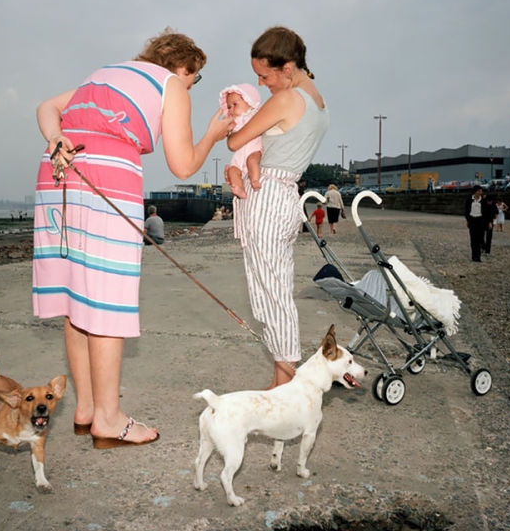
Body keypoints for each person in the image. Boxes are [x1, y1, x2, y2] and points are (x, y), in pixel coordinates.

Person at [33, 29, 233, 448]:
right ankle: (108, 418)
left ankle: (86, 408)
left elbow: (47, 106)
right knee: (106, 296)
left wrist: (55, 138)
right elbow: (182, 166)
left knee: (76, 294)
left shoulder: (107, 74)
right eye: (195, 78)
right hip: (107, 177)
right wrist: (213, 135)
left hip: (59, 173)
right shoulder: (172, 84)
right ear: (185, 67)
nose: (191, 85)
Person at [228, 26, 329, 389]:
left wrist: (235, 145)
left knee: (270, 293)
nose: (262, 82)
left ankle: (286, 381)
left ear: (287, 68)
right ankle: (281, 377)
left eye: (265, 75)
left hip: (268, 195)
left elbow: (235, 139)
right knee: (276, 288)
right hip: (287, 197)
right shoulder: (319, 101)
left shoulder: (287, 98)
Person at [220, 84, 263, 199]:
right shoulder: (234, 122)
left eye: (235, 104)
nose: (232, 109)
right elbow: (226, 135)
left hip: (253, 150)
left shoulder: (255, 115)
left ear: (249, 102)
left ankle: (255, 181)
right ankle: (240, 190)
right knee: (232, 170)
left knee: (252, 161)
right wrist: (227, 129)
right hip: (239, 156)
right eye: (229, 107)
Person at [464, 184, 486, 262]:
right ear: (475, 192)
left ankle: (478, 256)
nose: (480, 192)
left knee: (480, 238)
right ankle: (474, 255)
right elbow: (466, 211)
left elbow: (486, 212)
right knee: (473, 239)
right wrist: (467, 220)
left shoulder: (483, 201)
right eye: (479, 191)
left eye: (481, 191)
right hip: (472, 219)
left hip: (480, 220)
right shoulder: (469, 200)